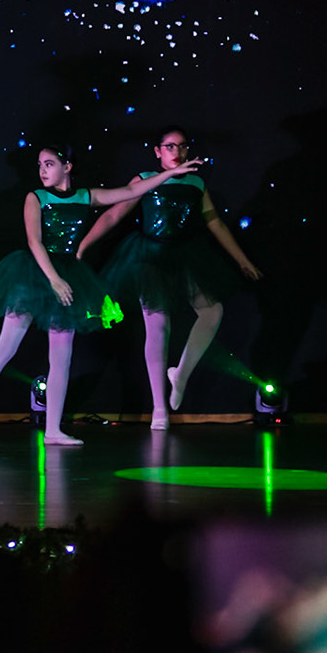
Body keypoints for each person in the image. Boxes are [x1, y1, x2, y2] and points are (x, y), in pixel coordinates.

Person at [0, 145, 199, 446]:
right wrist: (54, 280)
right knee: (6, 346)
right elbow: (34, 241)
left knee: (62, 355)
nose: (42, 170)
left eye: (49, 164)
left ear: (67, 166)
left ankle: (53, 430)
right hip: (34, 274)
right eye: (40, 164)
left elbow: (130, 191)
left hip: (69, 273)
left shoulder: (84, 196)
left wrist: (171, 173)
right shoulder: (37, 197)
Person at [79, 125, 262, 428]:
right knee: (158, 326)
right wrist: (83, 246)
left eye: (182, 146)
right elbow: (113, 214)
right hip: (149, 258)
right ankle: (159, 407)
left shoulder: (196, 183)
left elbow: (215, 223)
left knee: (213, 310)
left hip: (186, 255)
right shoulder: (146, 179)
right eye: (170, 147)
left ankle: (181, 373)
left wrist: (242, 260)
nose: (176, 152)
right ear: (158, 151)